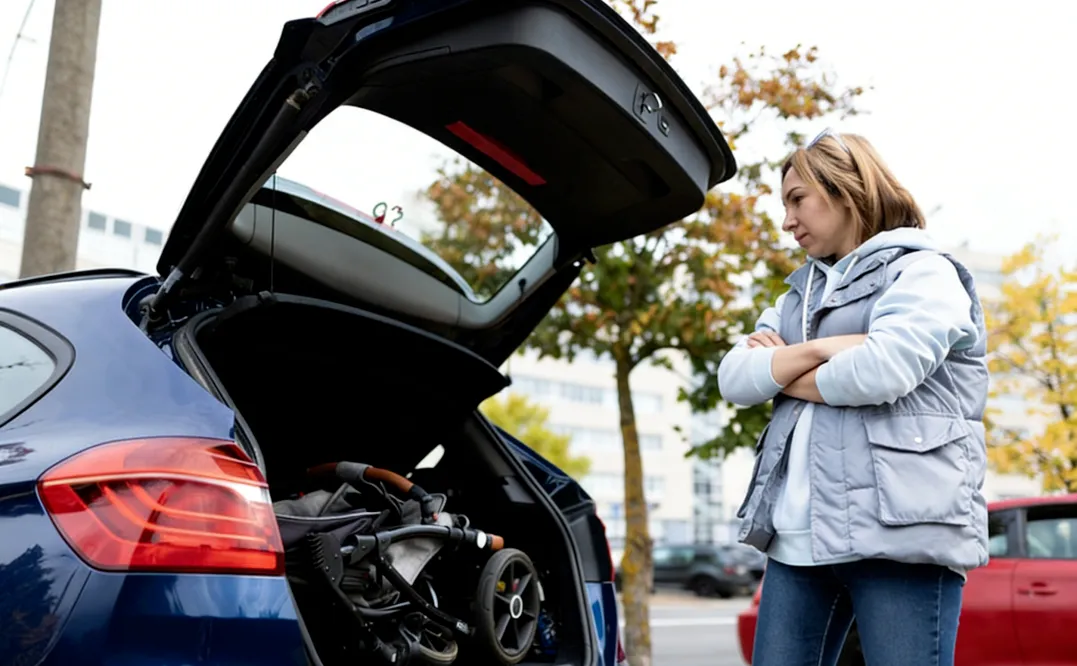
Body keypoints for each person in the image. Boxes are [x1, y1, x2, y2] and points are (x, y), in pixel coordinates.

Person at [717, 129, 989, 666]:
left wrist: (783, 364)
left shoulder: (923, 272)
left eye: (798, 200)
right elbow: (735, 379)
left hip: (901, 536)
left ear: (848, 191)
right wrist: (824, 348)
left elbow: (879, 371)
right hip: (798, 542)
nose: (786, 221)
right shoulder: (798, 296)